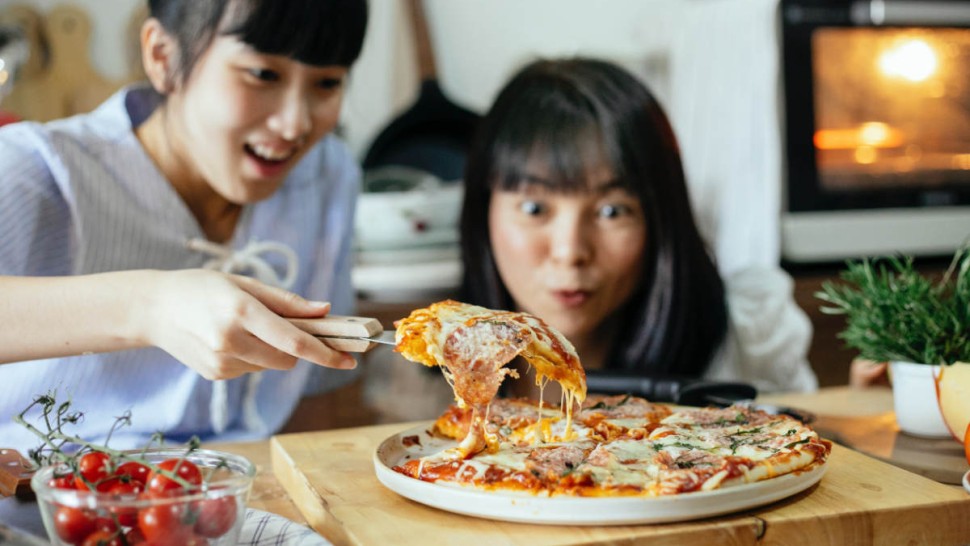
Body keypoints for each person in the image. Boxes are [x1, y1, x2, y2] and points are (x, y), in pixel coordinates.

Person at [0, 0, 369, 450]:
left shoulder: (327, 175)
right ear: (163, 56)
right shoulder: (34, 169)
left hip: (251, 503)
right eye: (263, 75)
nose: (295, 123)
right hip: (43, 508)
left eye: (327, 83)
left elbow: (321, 390)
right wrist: (150, 305)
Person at [460, 58, 818, 398]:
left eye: (612, 211)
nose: (570, 252)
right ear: (483, 211)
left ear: (660, 219)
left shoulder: (747, 341)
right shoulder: (424, 366)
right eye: (534, 208)